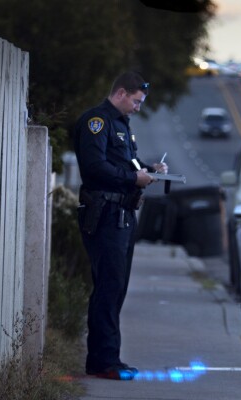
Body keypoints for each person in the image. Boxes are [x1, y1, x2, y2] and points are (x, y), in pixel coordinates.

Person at [73, 71, 167, 380]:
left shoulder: (122, 125)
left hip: (122, 215)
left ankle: (107, 357)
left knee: (117, 289)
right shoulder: (96, 122)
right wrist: (132, 178)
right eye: (137, 101)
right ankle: (103, 361)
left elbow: (127, 164)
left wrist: (149, 170)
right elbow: (94, 166)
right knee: (108, 287)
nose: (139, 107)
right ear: (121, 93)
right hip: (104, 214)